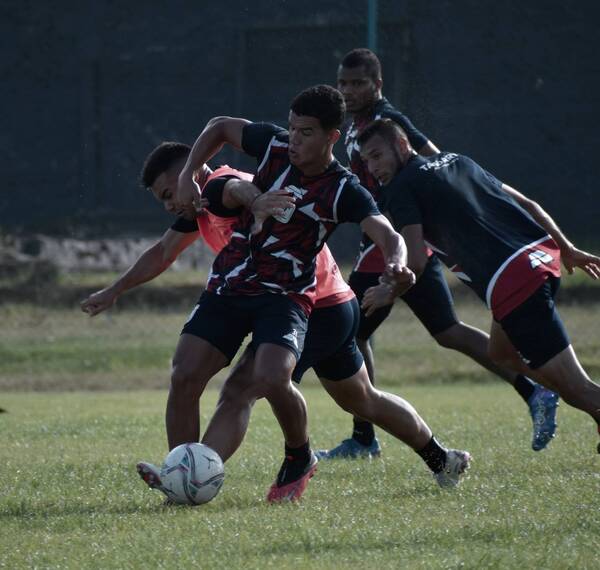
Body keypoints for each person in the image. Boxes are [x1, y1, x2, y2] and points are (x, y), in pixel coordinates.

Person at [142, 85, 413, 502]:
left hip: (292, 296)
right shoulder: (274, 145)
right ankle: (181, 480)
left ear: (331, 137)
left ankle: (297, 455)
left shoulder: (342, 189)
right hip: (234, 283)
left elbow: (387, 233)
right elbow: (219, 127)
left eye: (305, 132)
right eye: (292, 128)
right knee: (185, 373)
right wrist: (186, 174)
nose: (294, 140)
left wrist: (397, 264)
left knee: (271, 380)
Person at [320, 47, 558, 459]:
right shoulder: (354, 125)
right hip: (397, 239)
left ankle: (364, 440)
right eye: (342, 83)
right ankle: (532, 387)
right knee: (447, 332)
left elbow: (436, 161)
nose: (348, 90)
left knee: (350, 329)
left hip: (399, 238)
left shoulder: (388, 123)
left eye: (357, 83)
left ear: (377, 85)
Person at [358, 118, 600, 451]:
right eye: (366, 161)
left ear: (401, 146)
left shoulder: (401, 188)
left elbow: (416, 260)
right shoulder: (459, 160)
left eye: (377, 156)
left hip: (515, 286)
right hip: (540, 260)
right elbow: (528, 205)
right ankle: (562, 395)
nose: (373, 168)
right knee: (499, 351)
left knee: (579, 389)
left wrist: (389, 291)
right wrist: (566, 249)